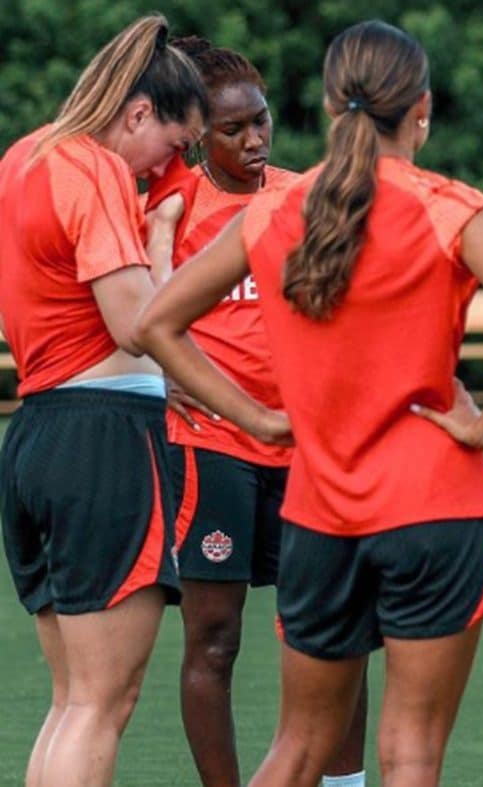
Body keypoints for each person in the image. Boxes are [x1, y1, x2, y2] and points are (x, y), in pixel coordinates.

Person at [135, 19, 483, 787]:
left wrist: (260, 418)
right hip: (436, 503)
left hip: (319, 508)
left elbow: (155, 323)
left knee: (296, 748)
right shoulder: (456, 208)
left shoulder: (273, 211)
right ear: (422, 111)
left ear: (331, 109)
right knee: (409, 754)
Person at [142, 36, 367, 787]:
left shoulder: (306, 198)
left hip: (309, 447)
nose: (254, 139)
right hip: (214, 445)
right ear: (197, 134)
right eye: (232, 129)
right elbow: (142, 309)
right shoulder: (173, 202)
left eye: (261, 121)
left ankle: (343, 783)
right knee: (213, 638)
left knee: (333, 631)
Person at [0, 14, 206, 787]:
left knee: (72, 701)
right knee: (100, 703)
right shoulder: (93, 167)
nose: (169, 165)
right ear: (138, 114)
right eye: (174, 145)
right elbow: (136, 323)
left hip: (40, 433)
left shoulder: (24, 155)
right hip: (103, 437)